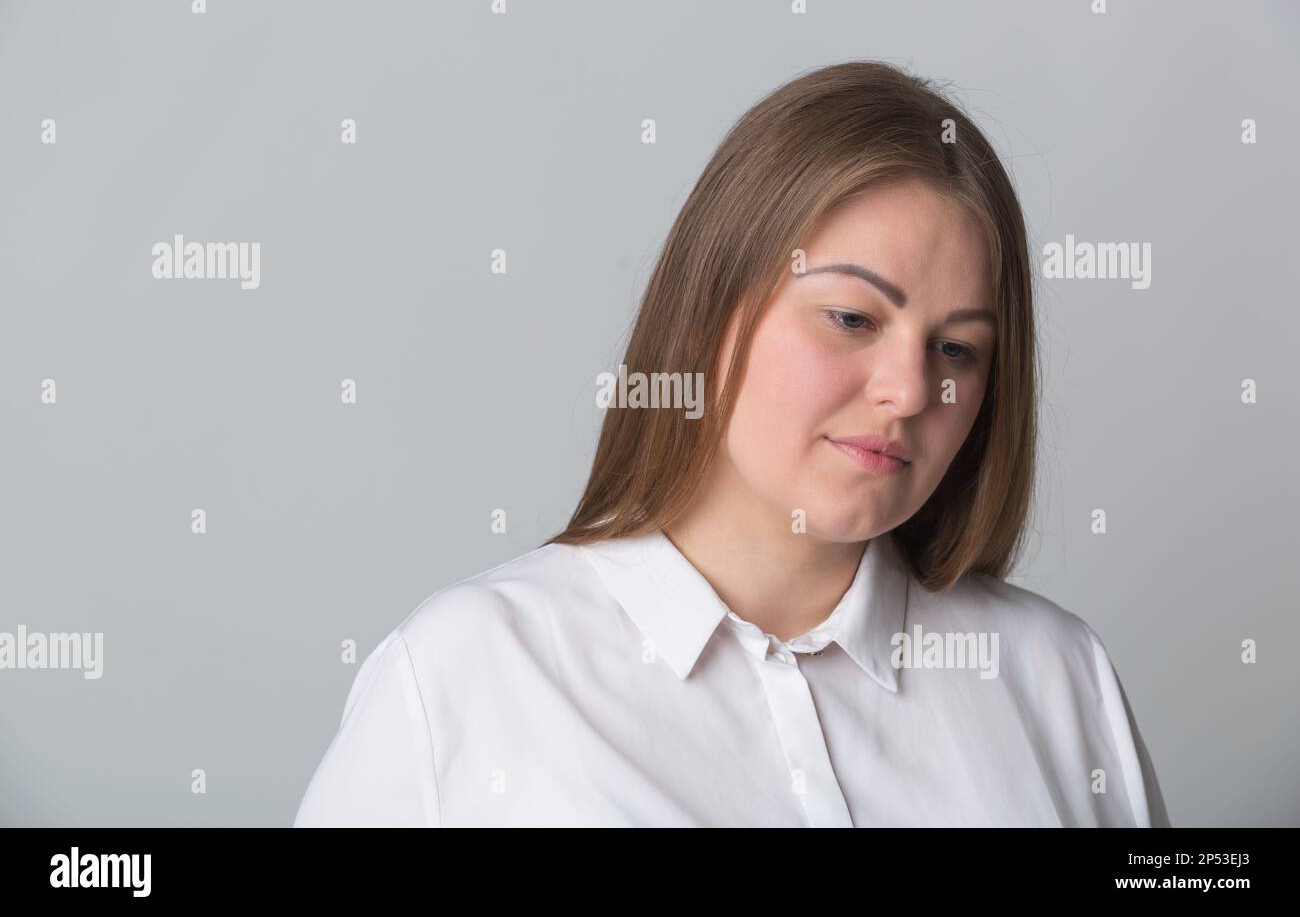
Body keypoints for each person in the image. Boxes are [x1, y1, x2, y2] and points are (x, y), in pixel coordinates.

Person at [293, 61, 1170, 827]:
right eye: (851, 318)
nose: (908, 391)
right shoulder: (465, 676)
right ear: (713, 309)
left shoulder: (1058, 677)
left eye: (957, 349)